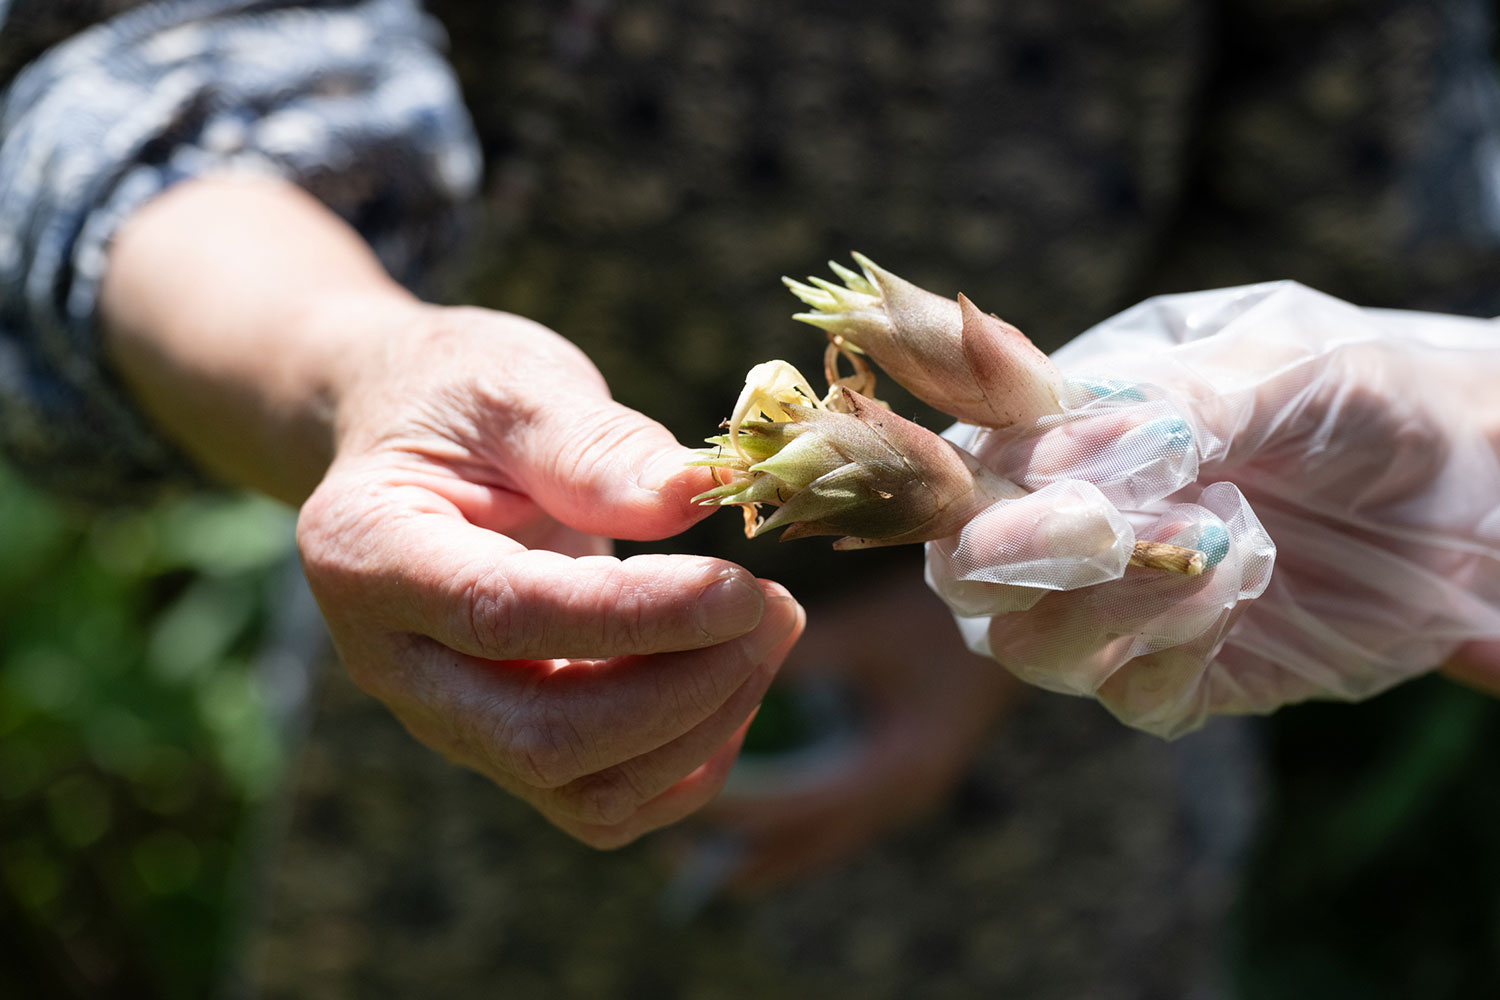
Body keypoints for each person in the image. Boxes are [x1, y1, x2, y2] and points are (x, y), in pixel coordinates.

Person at [3, 0, 1499, 994]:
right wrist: (357, 370)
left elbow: (1368, 196)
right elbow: (127, 84)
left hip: (1092, 715)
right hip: (460, 716)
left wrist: (993, 639)